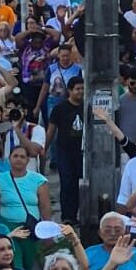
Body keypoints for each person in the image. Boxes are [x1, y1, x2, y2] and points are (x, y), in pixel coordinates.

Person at [46, 76, 84, 223]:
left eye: (82, 88)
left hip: (81, 152)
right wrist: (45, 148)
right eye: (77, 89)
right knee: (67, 183)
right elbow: (51, 130)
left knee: (80, 185)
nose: (80, 92)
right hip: (64, 152)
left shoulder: (87, 107)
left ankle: (79, 214)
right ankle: (67, 216)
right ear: (69, 91)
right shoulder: (59, 108)